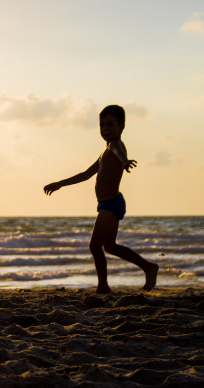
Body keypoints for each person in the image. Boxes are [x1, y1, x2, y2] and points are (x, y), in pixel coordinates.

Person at [43, 105, 158, 294]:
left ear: (122, 126)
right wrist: (60, 183)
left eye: (110, 124)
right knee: (109, 246)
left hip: (111, 204)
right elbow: (86, 174)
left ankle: (103, 286)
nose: (105, 129)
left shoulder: (115, 146)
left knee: (94, 245)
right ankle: (148, 267)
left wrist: (124, 162)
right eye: (102, 125)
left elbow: (121, 154)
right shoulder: (104, 152)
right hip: (107, 204)